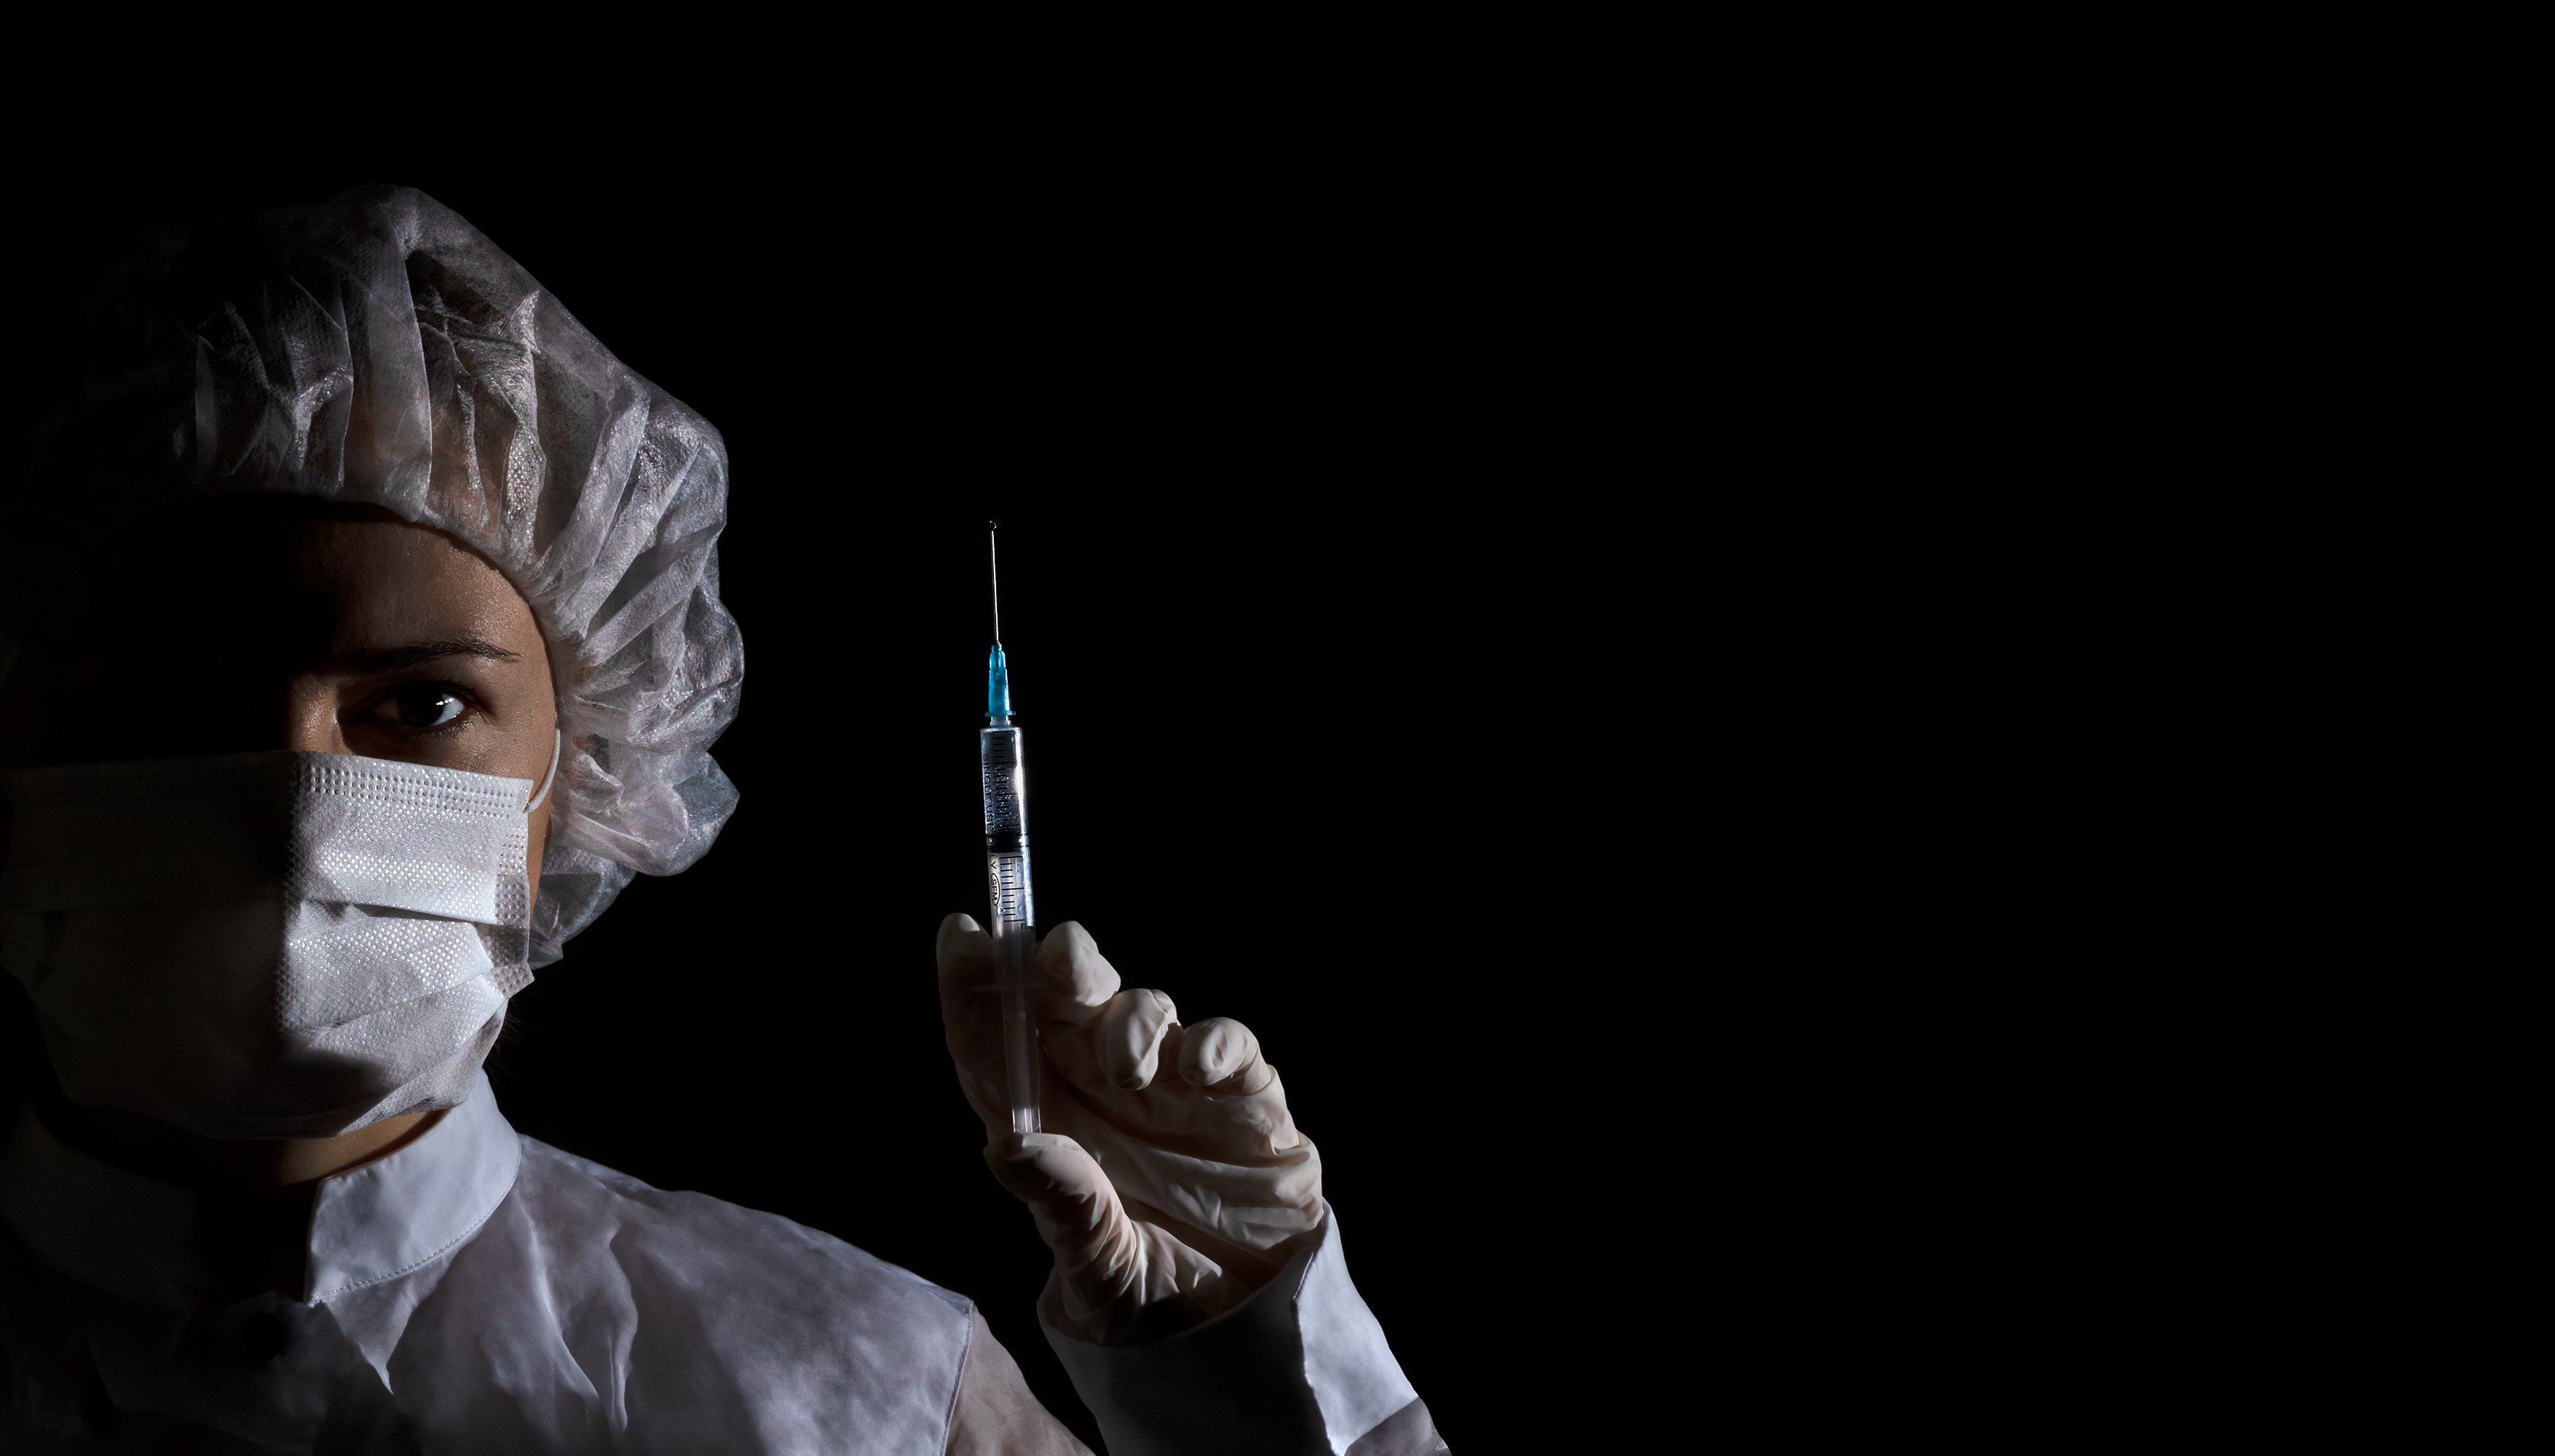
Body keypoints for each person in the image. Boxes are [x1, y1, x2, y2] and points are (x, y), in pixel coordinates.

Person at [0, 187, 1444, 1454]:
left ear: (579, 777)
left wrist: (1261, 1390)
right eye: (159, 699)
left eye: (424, 703)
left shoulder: (855, 1389)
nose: (294, 804)